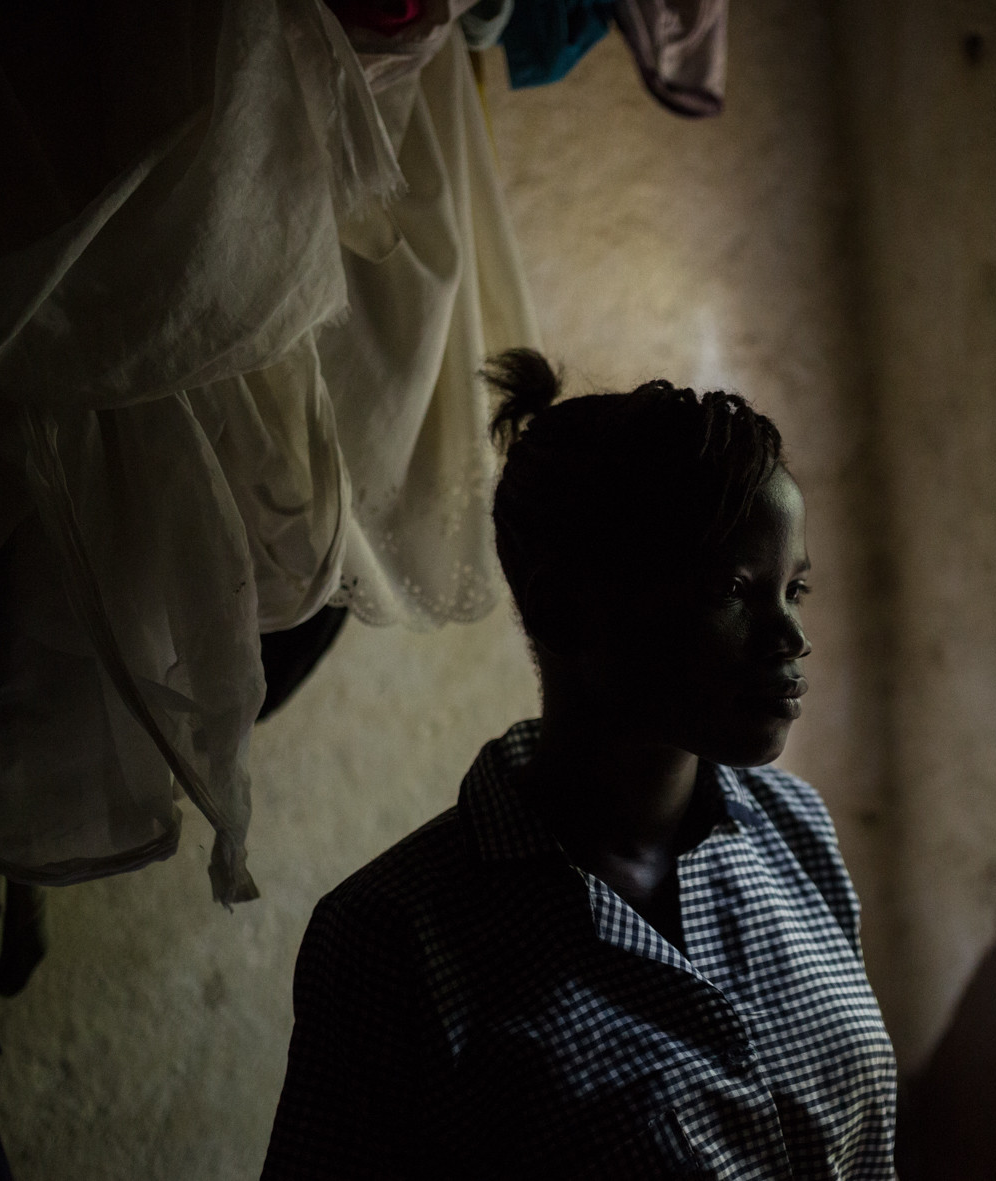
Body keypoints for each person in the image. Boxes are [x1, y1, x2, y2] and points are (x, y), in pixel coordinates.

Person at [262, 351, 897, 1179]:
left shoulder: (794, 830)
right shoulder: (395, 937)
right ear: (566, 606)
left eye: (794, 590)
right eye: (734, 589)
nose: (791, 638)